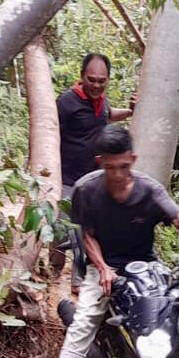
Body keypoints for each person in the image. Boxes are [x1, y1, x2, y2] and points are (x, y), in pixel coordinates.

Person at [42, 125, 179, 358]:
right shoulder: (87, 190)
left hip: (147, 264)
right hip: (105, 266)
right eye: (111, 167)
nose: (118, 174)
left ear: (133, 160)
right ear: (101, 163)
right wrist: (103, 268)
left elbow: (178, 217)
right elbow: (86, 235)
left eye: (124, 166)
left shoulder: (150, 189)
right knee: (84, 321)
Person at [51, 53, 135, 290]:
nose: (97, 85)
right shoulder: (66, 102)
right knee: (64, 229)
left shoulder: (100, 102)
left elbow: (107, 115)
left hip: (94, 180)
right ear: (81, 77)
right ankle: (52, 272)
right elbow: (50, 134)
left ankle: (78, 280)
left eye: (102, 80)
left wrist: (129, 112)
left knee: (86, 231)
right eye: (92, 79)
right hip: (67, 178)